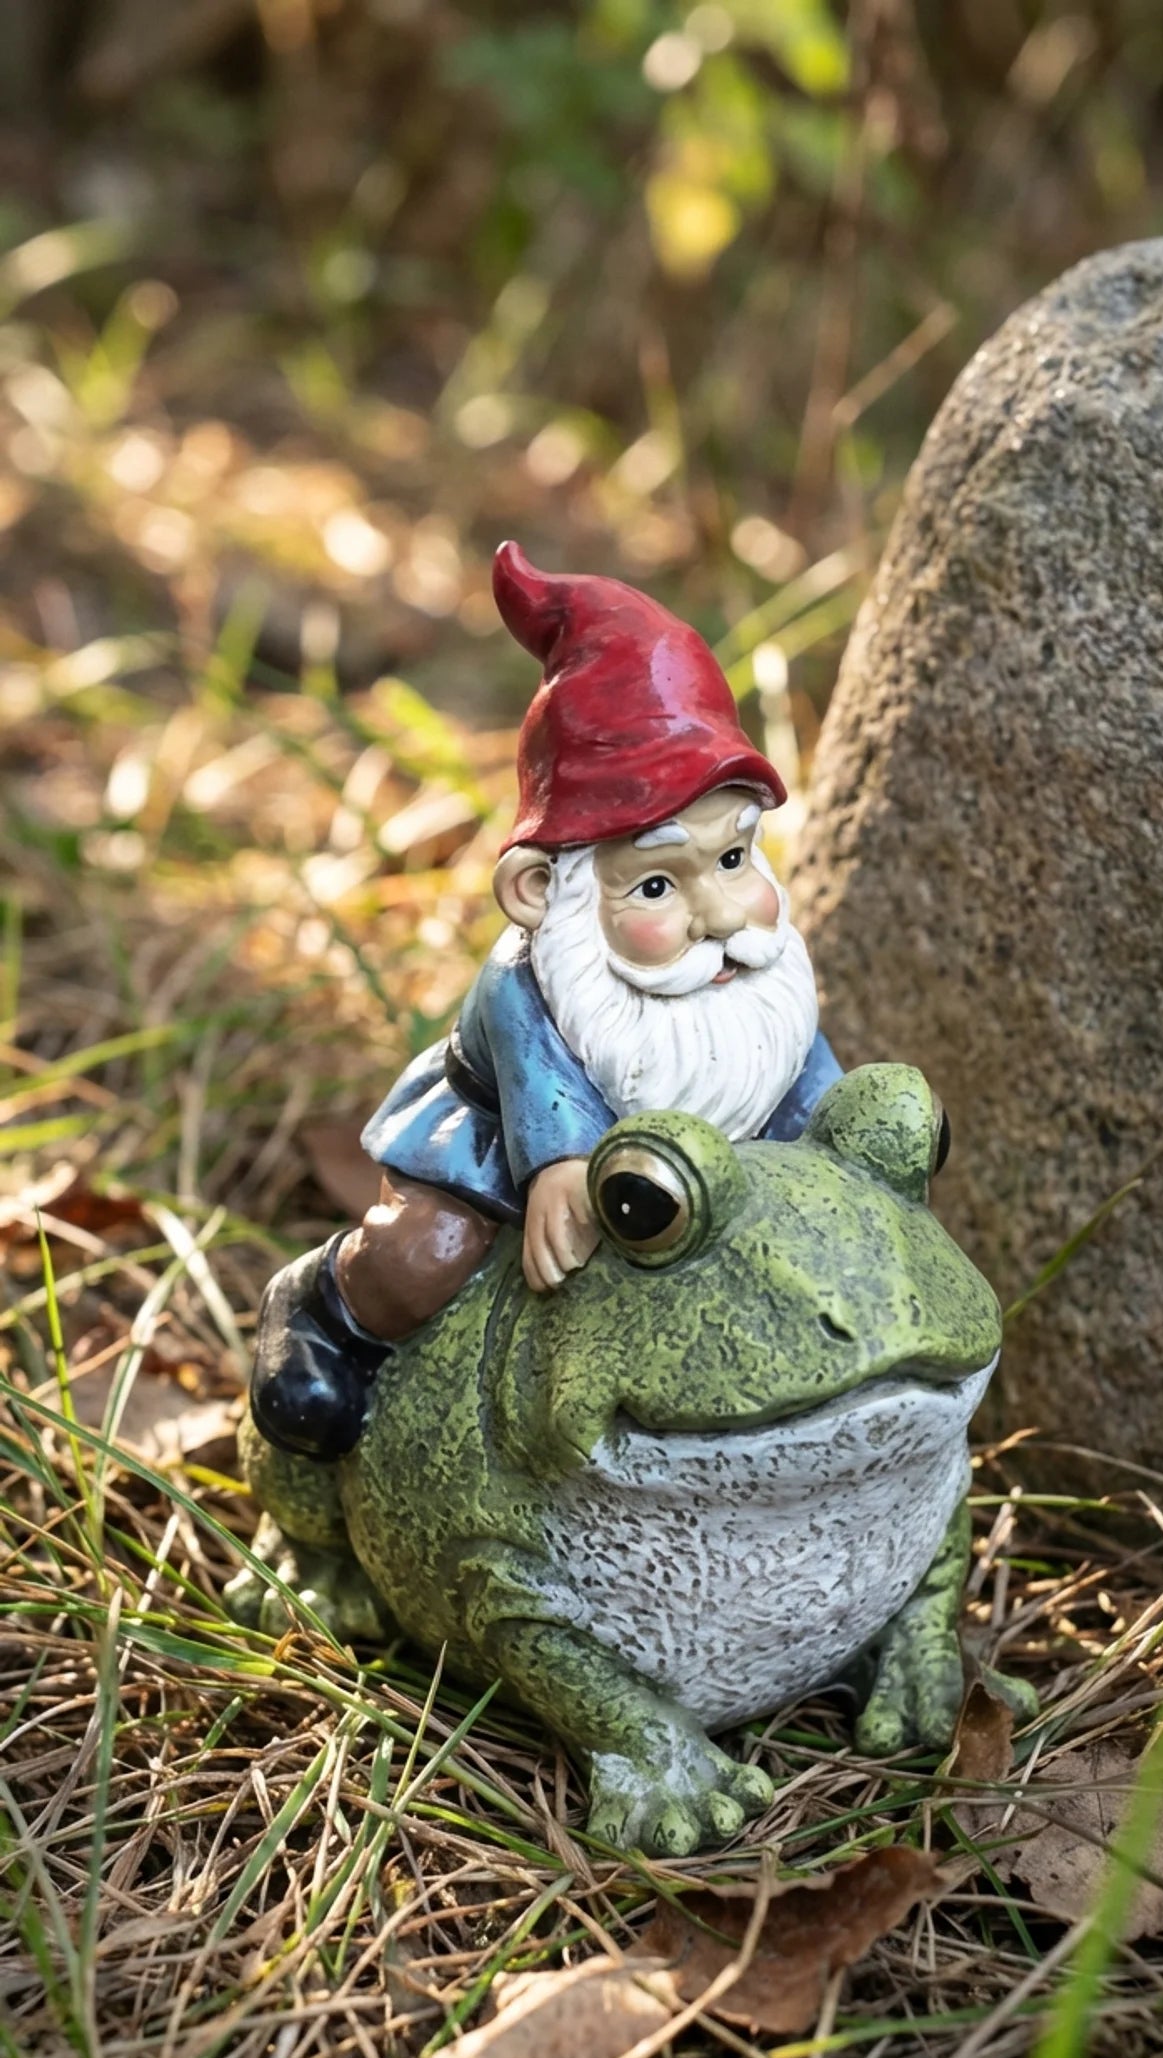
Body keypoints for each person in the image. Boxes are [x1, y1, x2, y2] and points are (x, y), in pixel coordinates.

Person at [251, 541, 842, 1460]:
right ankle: (327, 1308)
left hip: (691, 1174)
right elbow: (539, 1082)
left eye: (733, 859)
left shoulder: (754, 972)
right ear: (539, 892)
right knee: (428, 1256)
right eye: (655, 886)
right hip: (495, 1147)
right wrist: (561, 1165)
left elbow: (803, 1070)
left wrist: (838, 1140)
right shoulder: (529, 981)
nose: (724, 914)